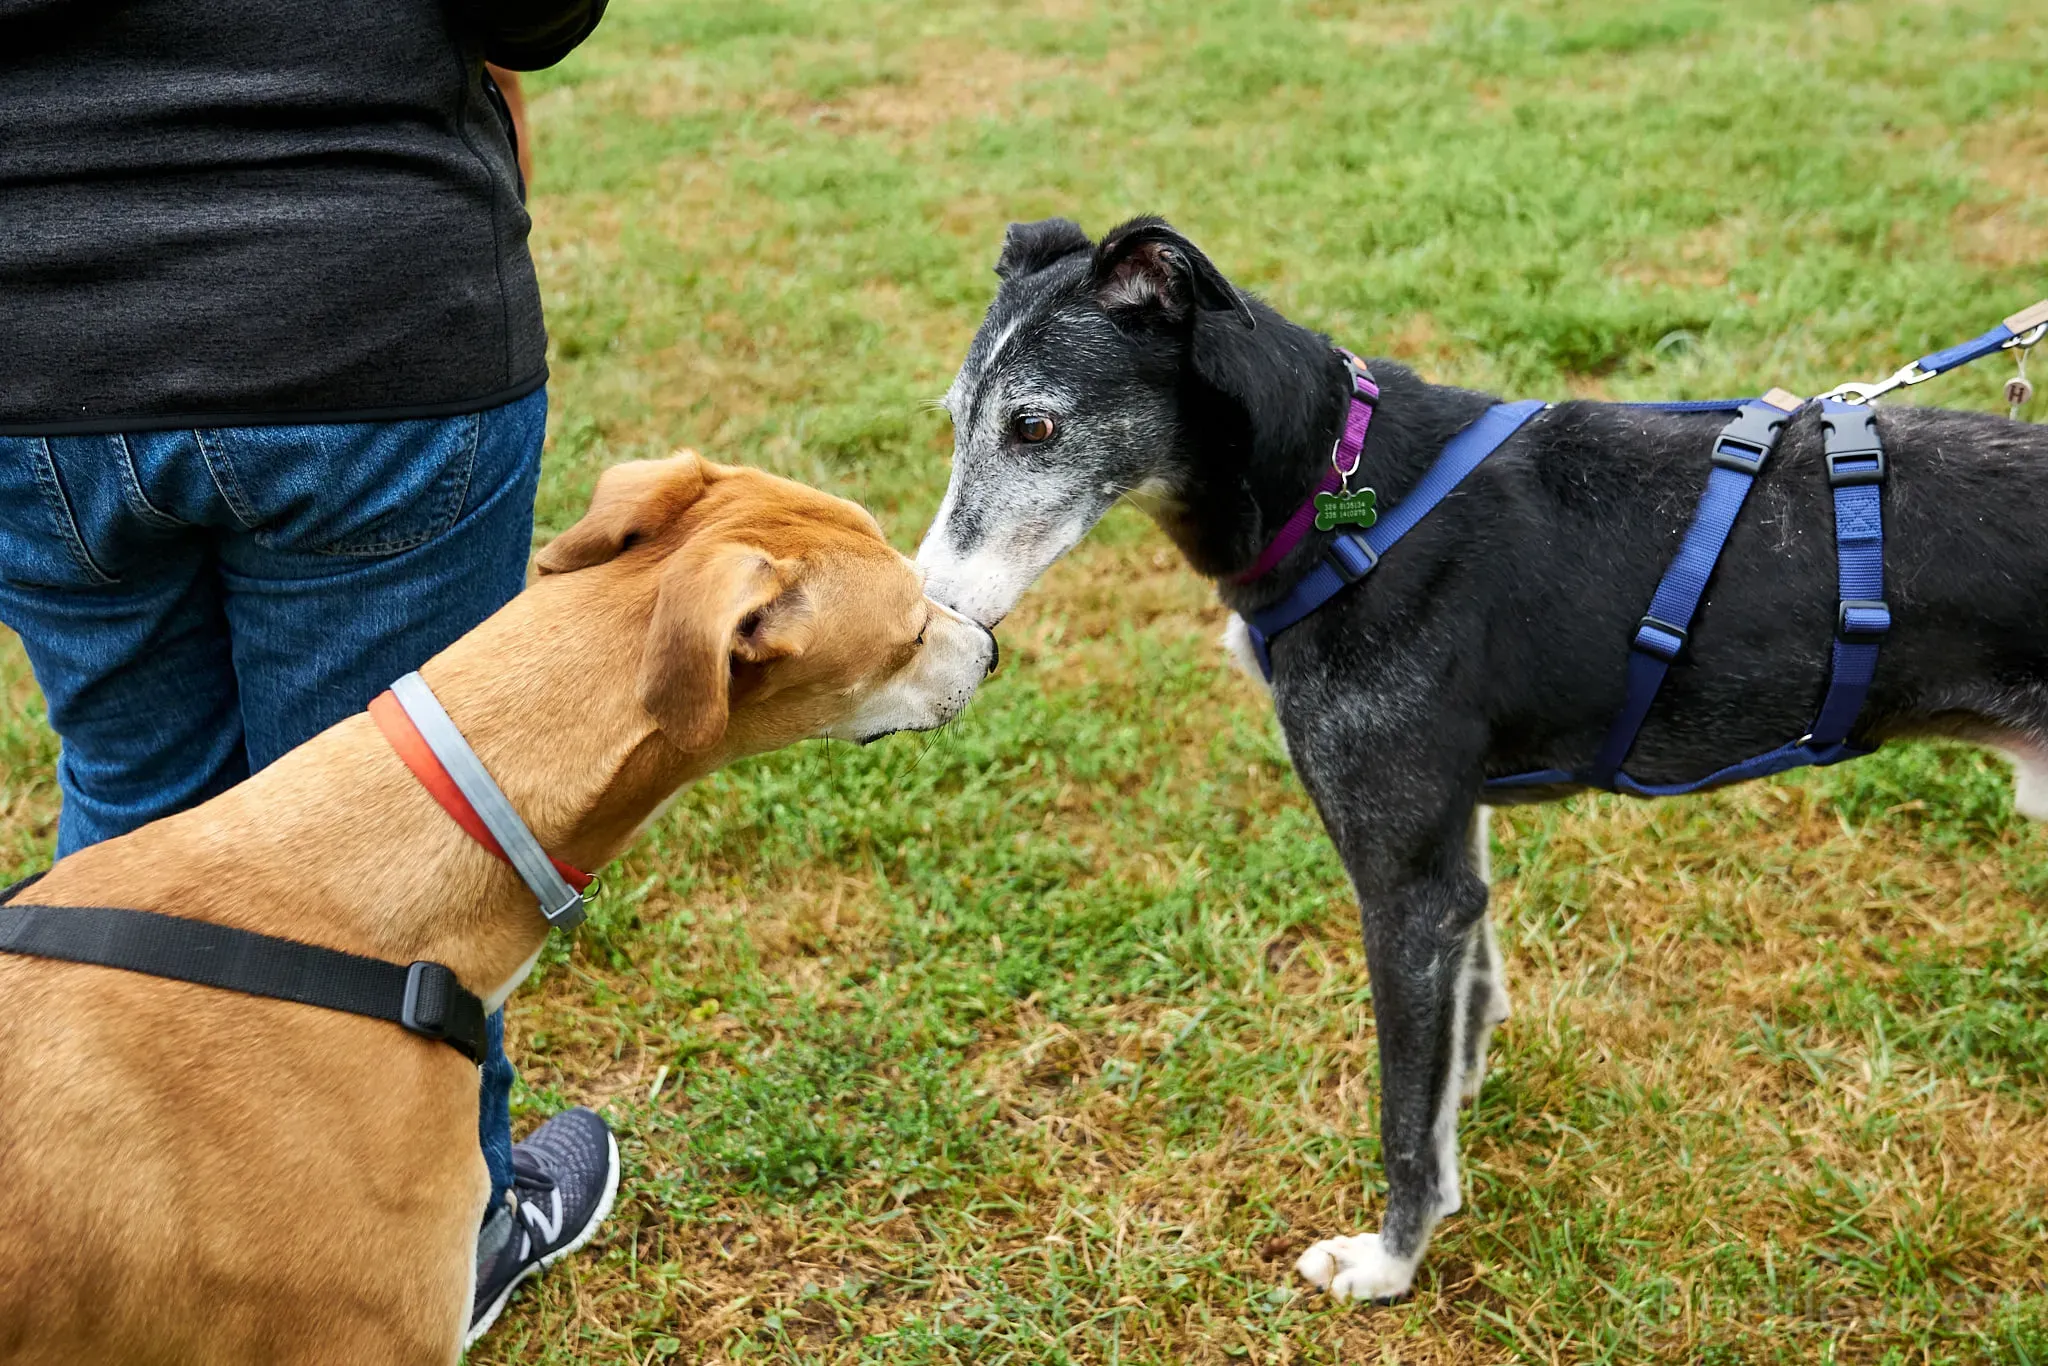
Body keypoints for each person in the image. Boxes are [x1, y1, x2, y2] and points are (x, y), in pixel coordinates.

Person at [0, 0, 615, 1343]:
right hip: (362, 303)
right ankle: (441, 1248)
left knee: (134, 806)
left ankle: (135, 1270)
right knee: (400, 849)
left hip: (34, 343)